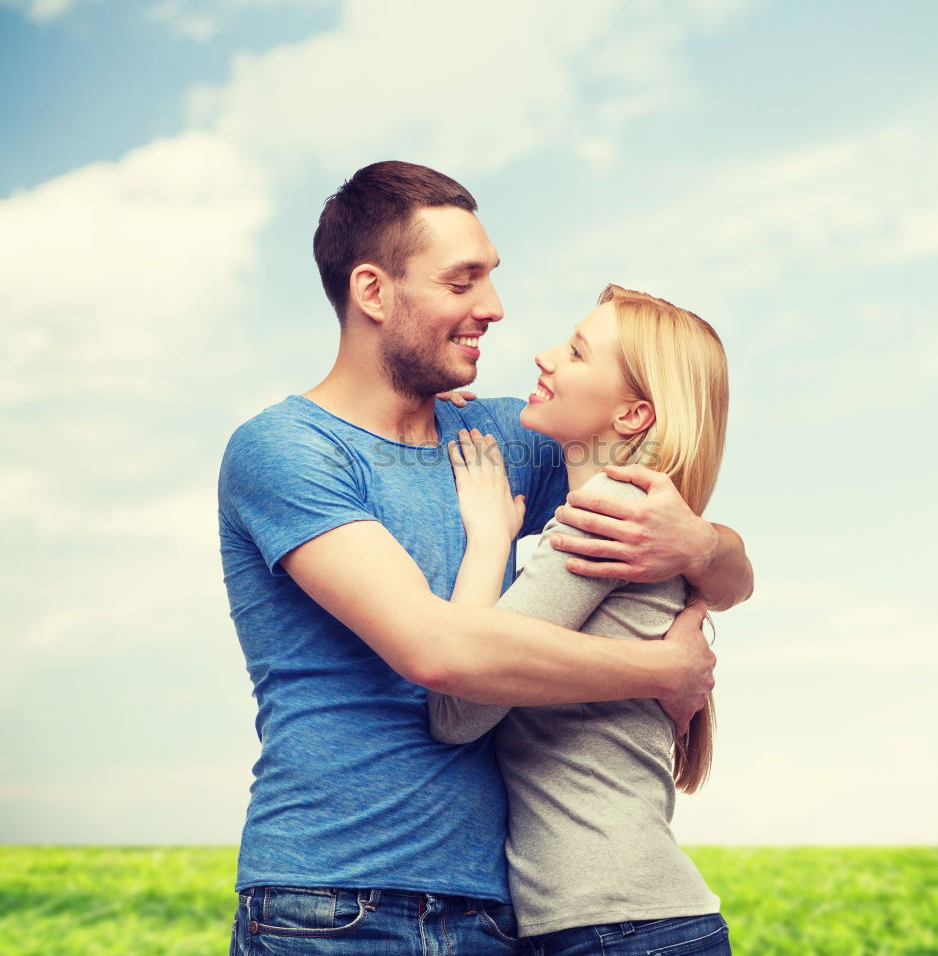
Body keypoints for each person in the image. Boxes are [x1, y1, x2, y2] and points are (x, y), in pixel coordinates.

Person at [219, 161, 752, 955]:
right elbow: (436, 652)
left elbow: (680, 511)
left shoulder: (504, 439)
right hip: (333, 899)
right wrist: (661, 673)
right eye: (462, 282)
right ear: (373, 292)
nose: (493, 310)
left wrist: (703, 545)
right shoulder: (287, 451)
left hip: (499, 915)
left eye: (490, 280)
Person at [429, 285, 733, 956]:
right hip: (623, 921)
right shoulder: (634, 514)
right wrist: (431, 414)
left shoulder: (605, 519)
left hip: (614, 927)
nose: (543, 357)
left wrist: (487, 540)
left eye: (574, 352)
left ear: (631, 415)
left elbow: (457, 709)